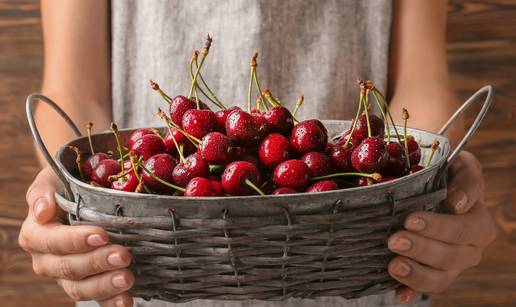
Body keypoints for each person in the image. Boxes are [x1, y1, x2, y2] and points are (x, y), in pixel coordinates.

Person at [19, 0, 496, 307]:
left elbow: (422, 81)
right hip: (143, 261)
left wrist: (435, 169)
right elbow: (73, 91)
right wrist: (73, 181)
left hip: (362, 254)